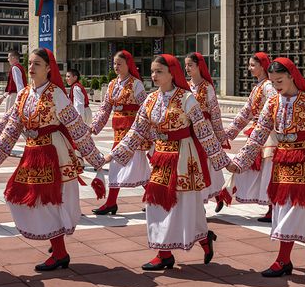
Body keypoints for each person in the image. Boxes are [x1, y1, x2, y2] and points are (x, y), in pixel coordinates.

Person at [0, 48, 106, 272]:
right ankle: (57, 247)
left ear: (49, 68)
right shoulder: (23, 94)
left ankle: (59, 251)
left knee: (50, 203)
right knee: (21, 198)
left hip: (54, 153)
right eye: (30, 63)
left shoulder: (56, 94)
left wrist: (96, 159)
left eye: (37, 64)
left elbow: (76, 126)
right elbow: (12, 128)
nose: (31, 68)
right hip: (32, 153)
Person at [104, 54, 229, 270]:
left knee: (186, 208)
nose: (154, 75)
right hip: (161, 156)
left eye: (159, 71)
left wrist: (223, 160)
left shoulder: (187, 98)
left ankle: (203, 239)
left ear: (172, 73)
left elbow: (204, 131)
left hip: (183, 157)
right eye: (152, 71)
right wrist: (113, 155)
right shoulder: (150, 100)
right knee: (156, 204)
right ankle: (164, 255)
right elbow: (137, 131)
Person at [226, 57, 305, 278]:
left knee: (294, 211)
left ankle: (282, 261)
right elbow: (258, 135)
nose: (276, 86)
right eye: (273, 82)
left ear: (291, 76)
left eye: (280, 81)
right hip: (282, 162)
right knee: (284, 210)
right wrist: (240, 162)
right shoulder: (273, 103)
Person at [90, 50, 150, 215]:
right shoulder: (111, 84)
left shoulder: (135, 84)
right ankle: (113, 202)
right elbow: (105, 108)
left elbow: (145, 109)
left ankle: (113, 202)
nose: (116, 66)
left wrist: (147, 132)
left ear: (128, 65)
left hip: (133, 131)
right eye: (114, 63)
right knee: (126, 167)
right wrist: (94, 126)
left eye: (119, 64)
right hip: (118, 129)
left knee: (133, 167)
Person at [222, 52, 277, 221]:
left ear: (263, 66)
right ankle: (226, 191)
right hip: (257, 133)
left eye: (253, 65)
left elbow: (274, 108)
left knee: (267, 171)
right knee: (247, 167)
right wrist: (229, 134)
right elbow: (246, 112)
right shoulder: (258, 87)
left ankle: (272, 207)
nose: (250, 68)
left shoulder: (268, 87)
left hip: (268, 135)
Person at [184, 52, 228, 211]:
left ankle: (215, 196)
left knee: (207, 163)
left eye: (190, 65)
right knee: (196, 164)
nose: (187, 68)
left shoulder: (207, 87)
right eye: (186, 65)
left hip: (205, 129)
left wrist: (220, 135)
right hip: (190, 129)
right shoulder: (186, 86)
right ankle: (206, 200)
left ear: (199, 66)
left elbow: (215, 112)